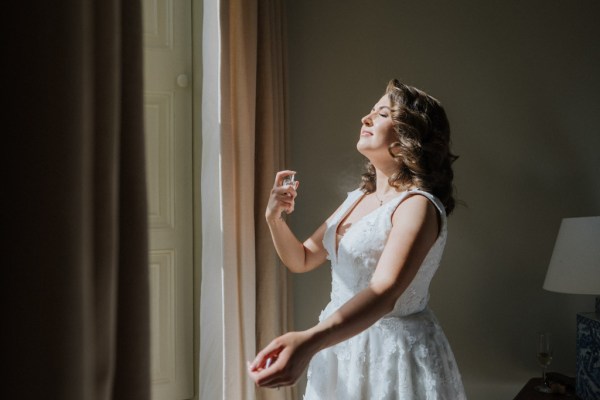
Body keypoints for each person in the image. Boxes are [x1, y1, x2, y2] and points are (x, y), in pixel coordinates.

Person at [248, 79, 466, 399]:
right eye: (369, 112)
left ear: (409, 136)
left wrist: (308, 341)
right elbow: (302, 259)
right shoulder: (357, 198)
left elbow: (383, 293)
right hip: (340, 348)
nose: (365, 119)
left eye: (381, 114)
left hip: (392, 357)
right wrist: (274, 218)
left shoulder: (417, 206)